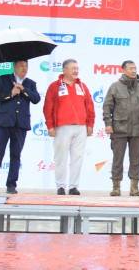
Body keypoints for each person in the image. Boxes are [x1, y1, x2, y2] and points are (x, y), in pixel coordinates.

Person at [0, 60, 40, 195]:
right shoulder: (3, 79)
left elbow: (36, 99)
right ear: (14, 67)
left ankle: (11, 184)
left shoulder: (30, 83)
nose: (24, 68)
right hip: (3, 123)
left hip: (20, 125)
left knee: (16, 155)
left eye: (26, 66)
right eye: (21, 66)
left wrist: (24, 89)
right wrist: (11, 93)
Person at [43, 59, 95, 196]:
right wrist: (50, 126)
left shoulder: (82, 86)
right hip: (62, 126)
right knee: (61, 157)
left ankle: (73, 187)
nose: (76, 71)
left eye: (77, 68)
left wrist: (90, 124)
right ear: (64, 70)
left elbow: (90, 106)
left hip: (81, 127)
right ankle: (60, 186)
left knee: (77, 157)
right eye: (73, 68)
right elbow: (48, 107)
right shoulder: (55, 86)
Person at [102, 60, 139, 196]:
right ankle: (116, 187)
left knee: (136, 160)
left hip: (138, 129)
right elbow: (107, 107)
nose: (134, 70)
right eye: (130, 68)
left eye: (135, 68)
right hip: (119, 129)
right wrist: (108, 124)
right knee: (117, 159)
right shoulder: (115, 87)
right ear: (123, 70)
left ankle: (134, 188)